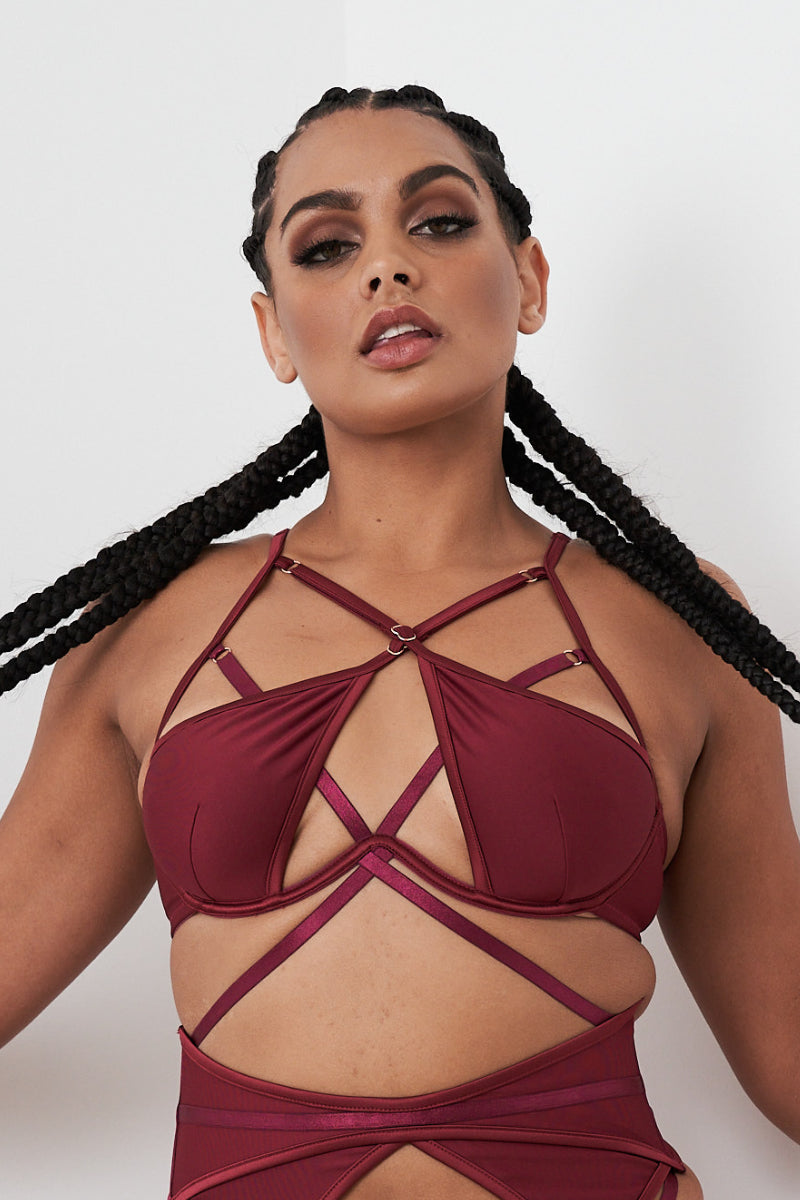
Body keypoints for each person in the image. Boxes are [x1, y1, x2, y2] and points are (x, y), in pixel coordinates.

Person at [1, 84, 798, 1200]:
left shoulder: (682, 618)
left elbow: (787, 1060)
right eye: (328, 246)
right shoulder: (146, 624)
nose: (386, 267)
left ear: (528, 280)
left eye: (438, 222)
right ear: (273, 330)